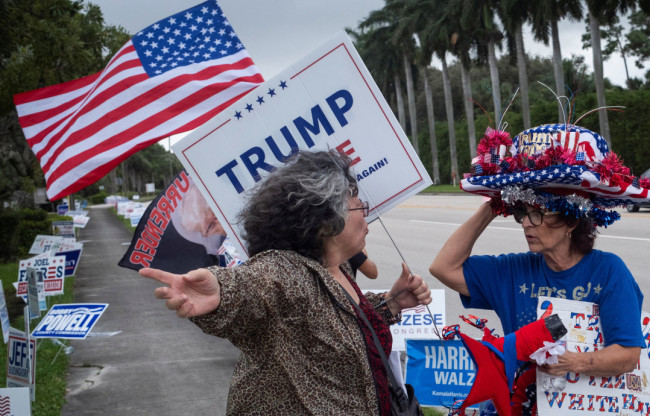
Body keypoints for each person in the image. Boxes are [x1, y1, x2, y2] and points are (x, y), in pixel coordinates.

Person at [140, 150, 432, 416]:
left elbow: (335, 327)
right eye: (359, 207)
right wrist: (221, 292)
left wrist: (392, 303)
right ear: (326, 221)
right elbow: (255, 287)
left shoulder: (336, 267)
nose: (366, 216)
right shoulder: (288, 270)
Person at [429, 123, 650, 415]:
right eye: (522, 212)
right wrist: (496, 201)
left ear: (572, 222)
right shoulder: (513, 269)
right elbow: (443, 267)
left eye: (537, 214)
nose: (525, 223)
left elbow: (627, 355)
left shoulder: (609, 270)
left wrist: (572, 362)